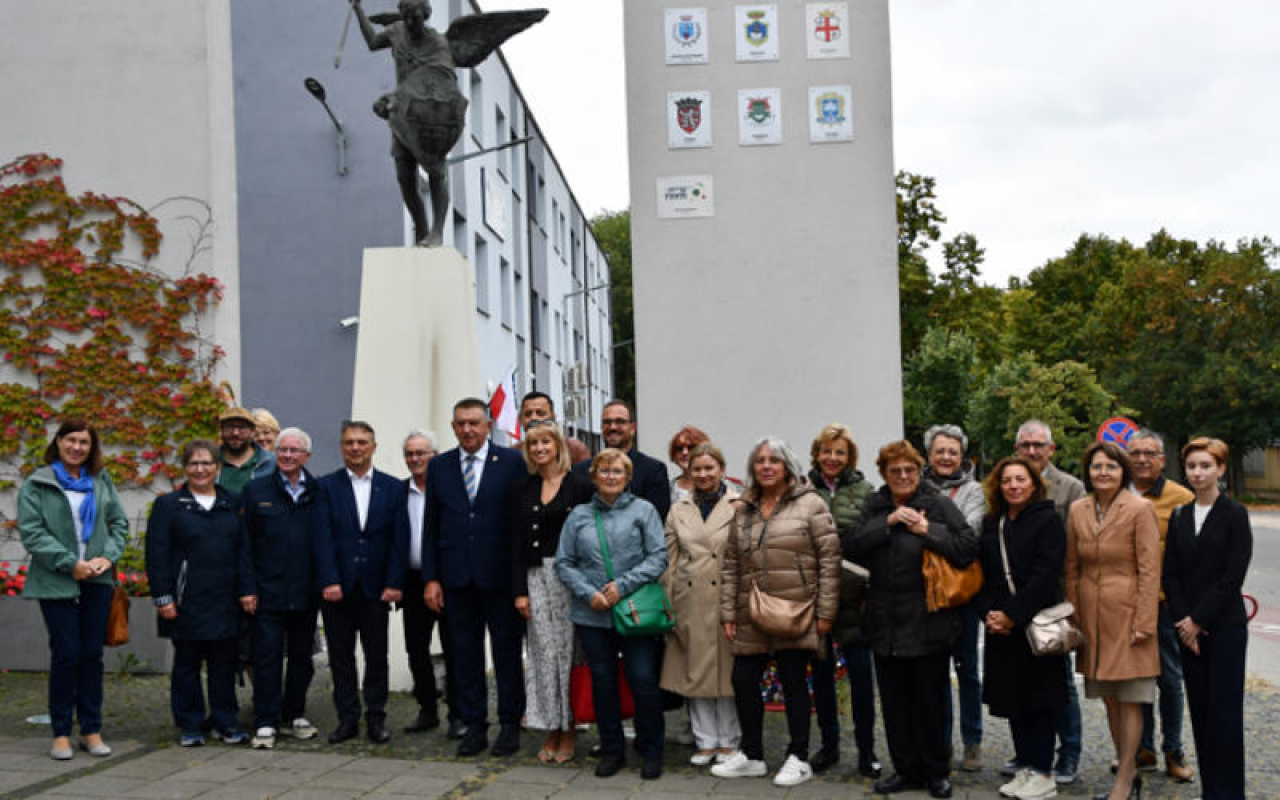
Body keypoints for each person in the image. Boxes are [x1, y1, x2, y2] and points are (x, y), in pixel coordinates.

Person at [846, 439, 978, 799]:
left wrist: (927, 531)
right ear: (884, 475)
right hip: (884, 620)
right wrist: (887, 522)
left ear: (919, 472)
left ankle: (936, 771)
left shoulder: (936, 503)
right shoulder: (876, 505)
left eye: (909, 470)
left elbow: (967, 548)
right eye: (895, 471)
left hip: (929, 619)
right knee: (893, 701)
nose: (903, 476)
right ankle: (904, 769)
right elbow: (853, 545)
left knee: (930, 701)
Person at [713, 436, 839, 789]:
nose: (766, 466)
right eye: (760, 460)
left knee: (794, 682)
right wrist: (728, 613)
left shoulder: (811, 504)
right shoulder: (745, 509)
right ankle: (752, 755)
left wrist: (825, 612)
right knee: (742, 679)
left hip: (796, 610)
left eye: (774, 460)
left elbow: (830, 562)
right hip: (751, 611)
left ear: (788, 467)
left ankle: (798, 757)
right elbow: (731, 565)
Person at [18, 420, 129, 761]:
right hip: (57, 581)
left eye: (84, 442)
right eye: (72, 440)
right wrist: (70, 563)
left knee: (92, 656)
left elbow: (118, 524)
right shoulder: (39, 483)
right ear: (59, 442)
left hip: (96, 580)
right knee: (67, 654)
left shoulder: (100, 480)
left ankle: (91, 729)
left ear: (91, 448)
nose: (77, 447)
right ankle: (62, 733)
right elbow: (32, 532)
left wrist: (106, 558)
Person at [422, 398, 527, 758]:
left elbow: (518, 525)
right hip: (456, 580)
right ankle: (474, 726)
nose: (467, 429)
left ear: (487, 426)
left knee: (507, 655)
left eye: (474, 423)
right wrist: (432, 578)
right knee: (464, 657)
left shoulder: (512, 462)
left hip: (499, 578)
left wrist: (520, 583)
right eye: (461, 423)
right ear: (453, 428)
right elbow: (431, 525)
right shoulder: (439, 467)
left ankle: (510, 725)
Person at [555, 449, 669, 780]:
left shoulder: (644, 511)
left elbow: (658, 556)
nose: (610, 476)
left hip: (634, 610)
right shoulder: (578, 515)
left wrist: (622, 586)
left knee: (643, 680)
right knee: (603, 683)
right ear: (593, 476)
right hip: (592, 613)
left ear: (627, 476)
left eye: (617, 471)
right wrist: (587, 593)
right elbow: (564, 562)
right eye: (603, 470)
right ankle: (612, 748)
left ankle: (650, 749)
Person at [1064, 441, 1159, 800]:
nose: (1103, 472)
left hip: (1129, 612)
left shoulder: (1140, 509)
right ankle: (1126, 764)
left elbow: (1150, 570)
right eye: (1096, 466)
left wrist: (1145, 621)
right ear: (1087, 472)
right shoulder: (1077, 509)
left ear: (1123, 472)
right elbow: (1071, 568)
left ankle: (1126, 775)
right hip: (1091, 615)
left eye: (1111, 467)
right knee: (1108, 697)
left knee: (1131, 696)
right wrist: (1074, 614)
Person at [145, 440, 252, 746]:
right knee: (187, 665)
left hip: (225, 599)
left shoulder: (231, 502)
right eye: (194, 463)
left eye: (207, 463)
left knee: (223, 665)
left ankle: (225, 721)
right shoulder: (169, 505)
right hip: (185, 600)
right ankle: (190, 724)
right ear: (185, 468)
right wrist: (163, 597)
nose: (201, 469)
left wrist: (247, 589)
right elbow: (157, 555)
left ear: (218, 468)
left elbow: (243, 550)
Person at [1164, 438, 1252, 800]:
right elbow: (1170, 574)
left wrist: (1198, 619)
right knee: (1200, 711)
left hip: (1225, 627)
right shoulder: (1180, 515)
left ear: (1220, 468)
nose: (1197, 472)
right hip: (1188, 631)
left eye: (1205, 465)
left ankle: (1229, 793)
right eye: (1191, 466)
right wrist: (1185, 619)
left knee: (1225, 715)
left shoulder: (1235, 513)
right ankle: (1210, 790)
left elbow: (1233, 576)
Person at [977, 457, 1069, 800]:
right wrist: (989, 614)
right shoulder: (993, 522)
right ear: (998, 486)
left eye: (1021, 479)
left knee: (1040, 702)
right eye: (1007, 480)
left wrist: (1012, 615)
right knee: (1013, 701)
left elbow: (1046, 576)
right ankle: (1026, 768)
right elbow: (982, 575)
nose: (1014, 485)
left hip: (1035, 626)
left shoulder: (1048, 520)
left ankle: (1044, 773)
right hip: (1001, 628)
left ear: (1034, 483)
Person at [239, 427, 331, 750]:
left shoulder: (319, 491)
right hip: (267, 591)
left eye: (295, 451)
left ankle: (294, 714)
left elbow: (324, 541)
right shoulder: (256, 491)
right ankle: (266, 719)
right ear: (275, 453)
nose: (288, 456)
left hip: (306, 592)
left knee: (302, 657)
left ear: (307, 456)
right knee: (266, 657)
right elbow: (244, 545)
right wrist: (247, 588)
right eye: (283, 450)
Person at [316, 421, 408, 745]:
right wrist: (329, 579)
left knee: (376, 658)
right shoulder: (325, 487)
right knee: (341, 658)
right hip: (337, 589)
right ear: (342, 447)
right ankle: (347, 719)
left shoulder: (394, 488)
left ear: (374, 446)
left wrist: (395, 582)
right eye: (349, 442)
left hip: (376, 589)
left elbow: (400, 539)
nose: (355, 448)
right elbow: (322, 537)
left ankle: (376, 719)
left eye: (362, 442)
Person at [510, 421, 592, 763]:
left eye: (546, 442)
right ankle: (551, 727)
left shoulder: (580, 486)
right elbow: (515, 544)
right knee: (543, 654)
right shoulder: (524, 488)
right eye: (533, 444)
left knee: (570, 655)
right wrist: (520, 592)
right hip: (534, 576)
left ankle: (571, 728)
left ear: (558, 445)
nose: (540, 448)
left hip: (569, 578)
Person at [661, 442, 741, 766]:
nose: (704, 474)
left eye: (710, 468)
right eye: (697, 469)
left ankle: (730, 741)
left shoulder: (739, 504)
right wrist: (669, 600)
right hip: (689, 598)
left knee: (726, 673)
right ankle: (705, 739)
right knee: (694, 672)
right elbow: (669, 558)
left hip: (725, 598)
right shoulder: (679, 508)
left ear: (721, 469)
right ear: (688, 472)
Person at [805, 423, 878, 777]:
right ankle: (829, 746)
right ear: (816, 454)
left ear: (849, 457)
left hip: (855, 599)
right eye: (827, 451)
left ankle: (867, 750)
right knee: (821, 677)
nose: (832, 458)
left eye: (840, 452)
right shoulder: (801, 490)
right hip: (816, 598)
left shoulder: (866, 491)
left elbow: (875, 541)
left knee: (862, 677)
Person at [1014, 419, 1084, 784]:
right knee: (1023, 679)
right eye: (1025, 445)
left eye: (1038, 445)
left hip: (1054, 600)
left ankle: (1068, 753)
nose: (1031, 451)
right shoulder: (1008, 484)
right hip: (1016, 600)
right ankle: (1027, 752)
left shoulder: (1071, 488)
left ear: (1051, 449)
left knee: (1061, 682)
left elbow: (1076, 546)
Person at [1126, 429, 1195, 782]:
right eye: (1135, 453)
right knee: (1135, 681)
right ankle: (1142, 748)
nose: (1142, 459)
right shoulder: (1115, 494)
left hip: (1166, 606)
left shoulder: (1181, 498)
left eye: (1149, 453)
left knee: (1170, 680)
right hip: (1126, 606)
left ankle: (1173, 749)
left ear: (1163, 460)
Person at [922, 424, 986, 772]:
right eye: (940, 451)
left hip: (963, 592)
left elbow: (970, 536)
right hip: (928, 591)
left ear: (962, 456)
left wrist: (928, 530)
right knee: (934, 671)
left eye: (953, 452)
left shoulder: (974, 490)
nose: (946, 457)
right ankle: (941, 741)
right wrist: (945, 534)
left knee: (968, 671)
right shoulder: (915, 487)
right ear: (929, 454)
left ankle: (972, 741)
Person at [399, 430, 461, 737]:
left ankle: (458, 714)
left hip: (449, 580)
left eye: (421, 453)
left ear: (435, 456)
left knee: (455, 646)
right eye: (410, 454)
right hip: (412, 581)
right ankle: (427, 709)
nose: (415, 459)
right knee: (416, 649)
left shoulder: (452, 489)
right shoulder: (398, 492)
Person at [572, 400, 671, 521]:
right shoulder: (580, 471)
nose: (613, 427)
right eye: (607, 422)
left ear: (632, 428)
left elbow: (656, 520)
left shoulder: (653, 470)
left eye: (620, 422)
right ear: (602, 427)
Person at [216, 406, 276, 496]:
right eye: (230, 427)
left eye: (242, 427)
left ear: (252, 431)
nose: (235, 433)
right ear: (221, 430)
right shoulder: (210, 460)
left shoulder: (270, 462)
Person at [667, 425, 710, 504]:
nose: (685, 452)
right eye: (679, 448)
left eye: (691, 447)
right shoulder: (666, 490)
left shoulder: (724, 487)